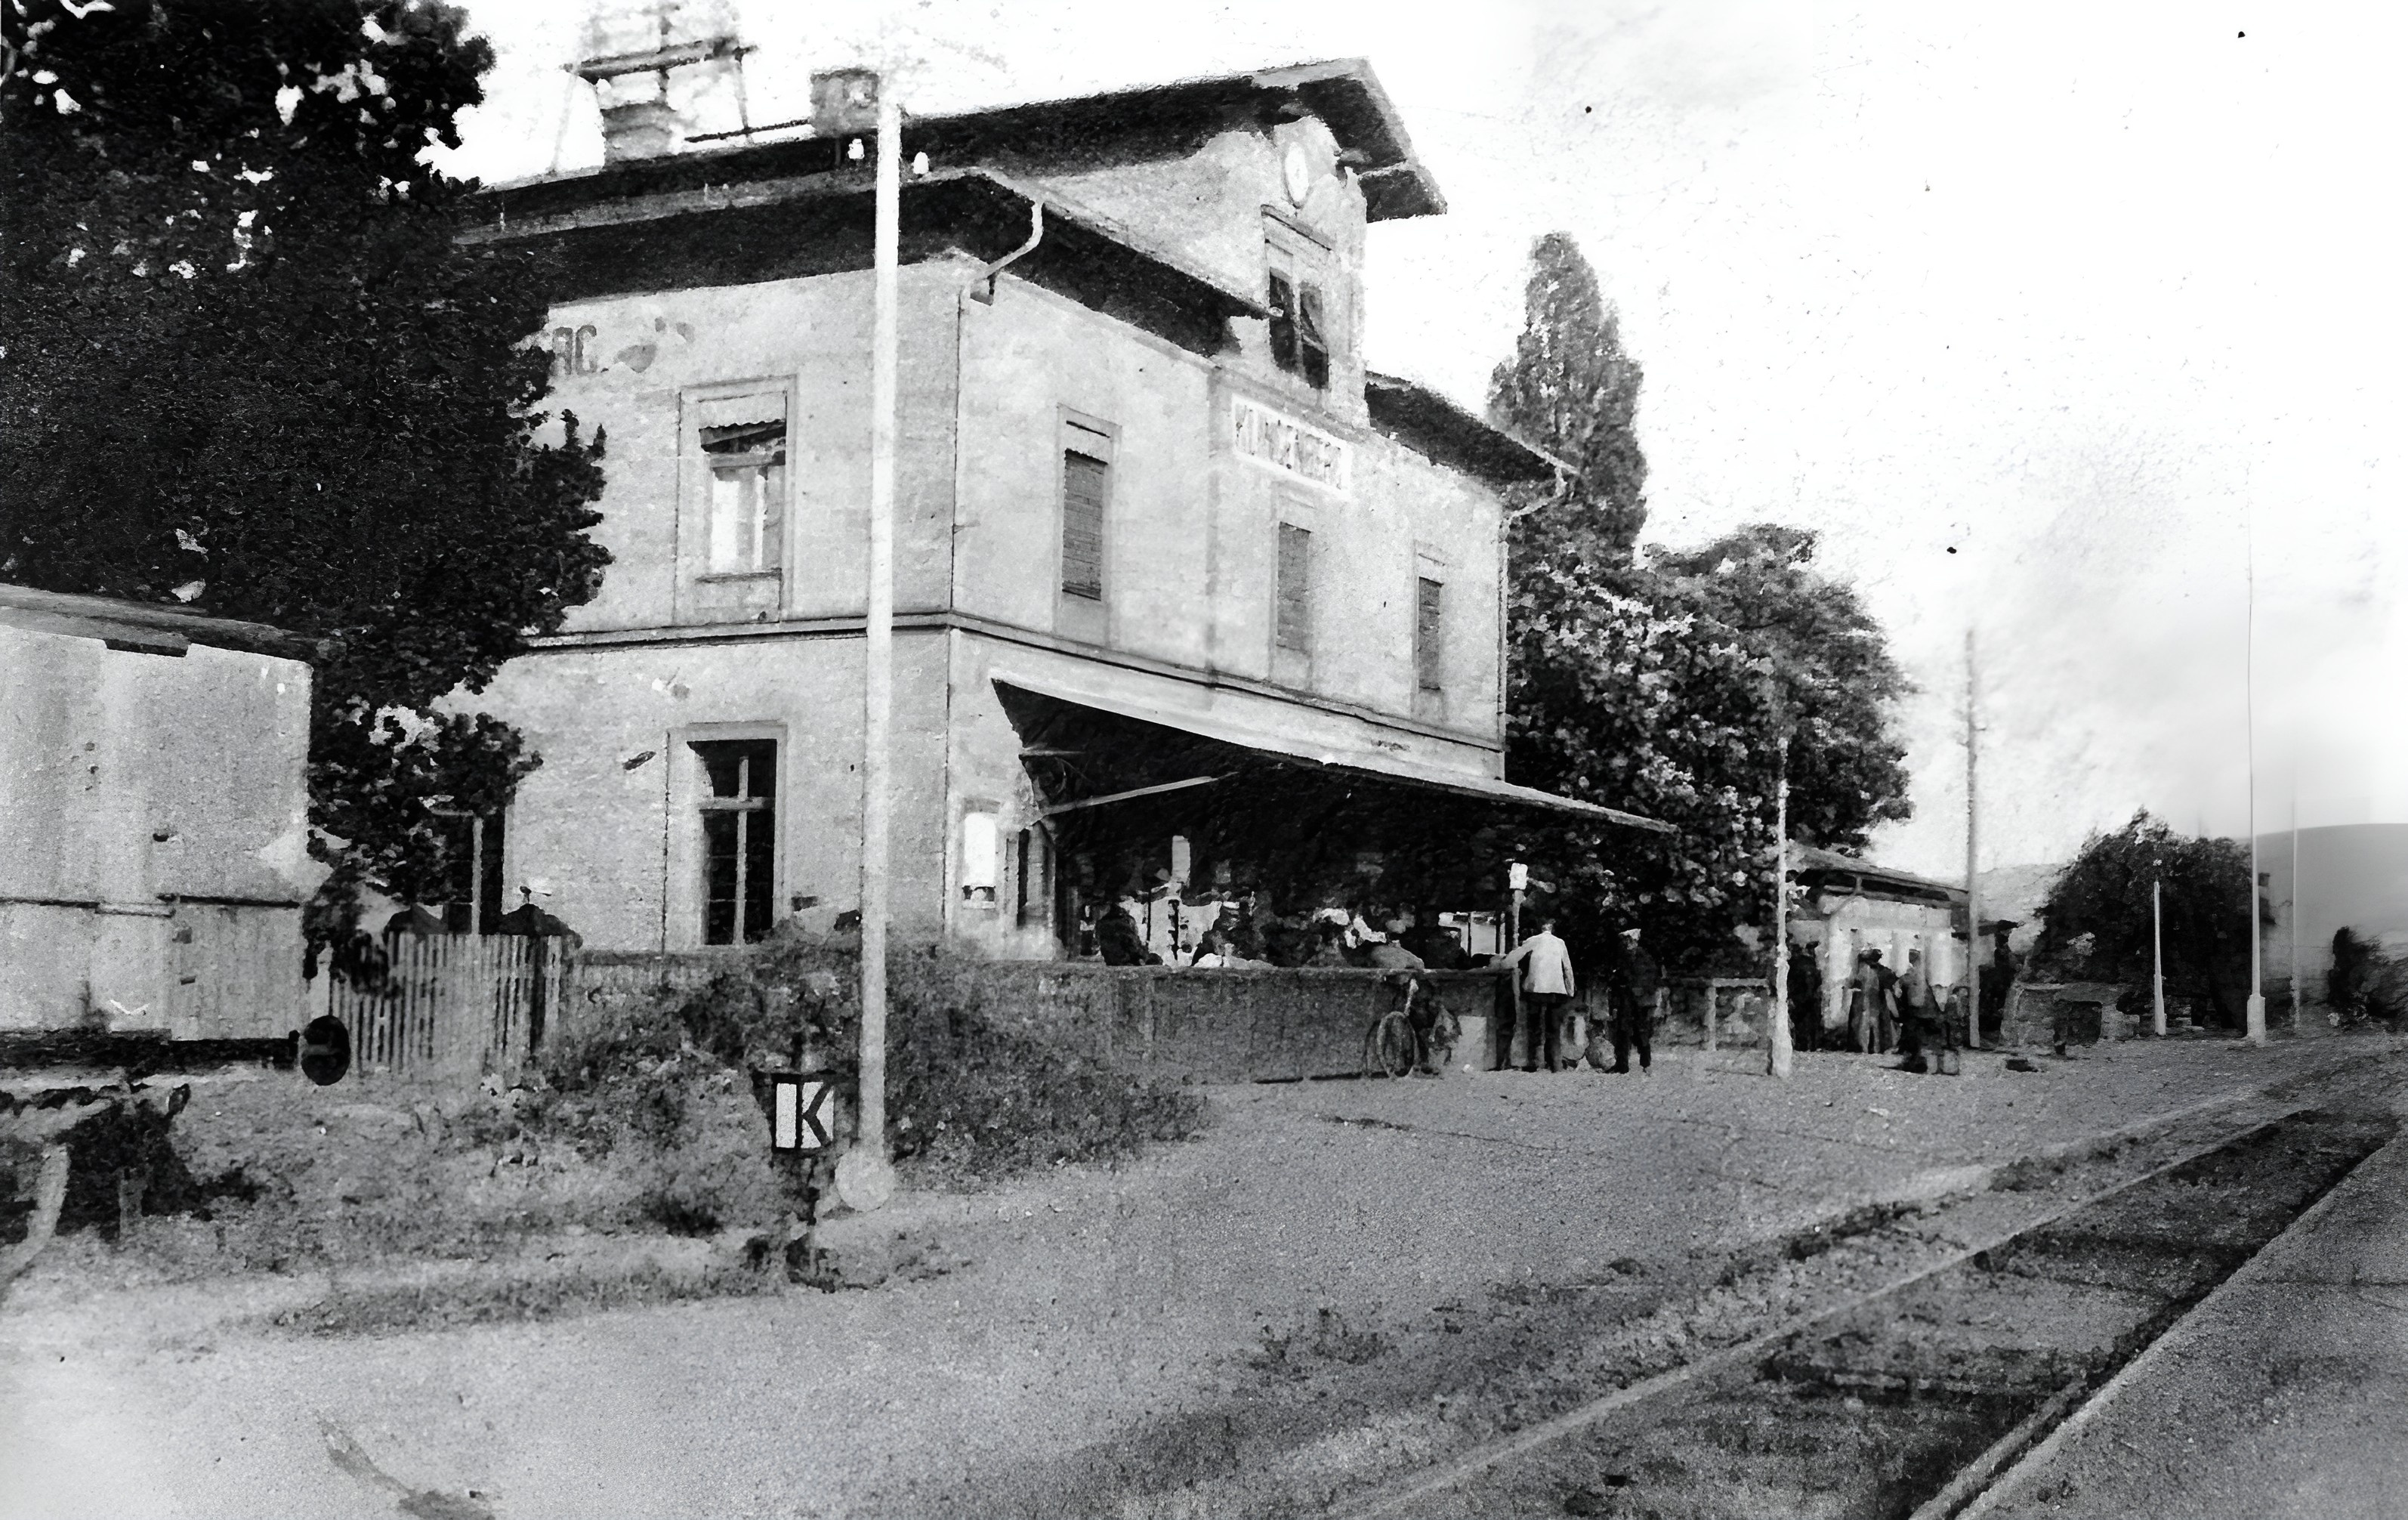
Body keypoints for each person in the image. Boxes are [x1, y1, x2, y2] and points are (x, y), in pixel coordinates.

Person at [1497, 917, 1577, 1072]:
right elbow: (1567, 968)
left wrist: (1502, 963)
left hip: (1536, 989)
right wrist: (1570, 989)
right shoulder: (1560, 943)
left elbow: (1514, 958)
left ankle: (1533, 1063)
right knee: (1553, 1028)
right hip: (1556, 990)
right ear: (1552, 929)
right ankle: (1555, 1064)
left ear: (1540, 928)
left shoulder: (1533, 940)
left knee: (1534, 1026)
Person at [1604, 925, 1659, 1074]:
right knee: (1623, 1032)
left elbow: (1649, 979)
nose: (1628, 944)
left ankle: (1645, 1063)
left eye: (1630, 941)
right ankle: (1623, 1065)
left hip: (1639, 1001)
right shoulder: (1626, 957)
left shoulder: (1643, 958)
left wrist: (1639, 991)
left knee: (1640, 1031)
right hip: (1627, 999)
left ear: (1635, 942)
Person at [1786, 938, 1823, 1052]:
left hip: (1802, 996)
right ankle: (1811, 1045)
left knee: (1803, 1021)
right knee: (1809, 1021)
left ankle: (1803, 1045)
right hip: (1806, 995)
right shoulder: (1807, 963)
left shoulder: (1797, 963)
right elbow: (1816, 980)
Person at [1096, 901, 1159, 966]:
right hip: (1123, 959)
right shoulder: (1123, 922)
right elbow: (1133, 945)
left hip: (1113, 960)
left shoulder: (1102, 923)